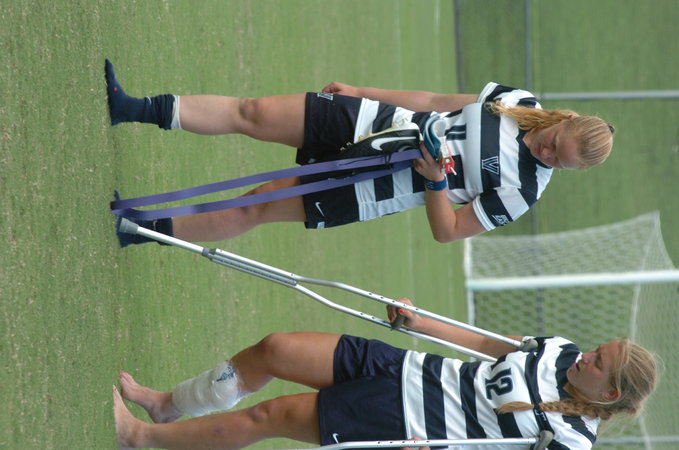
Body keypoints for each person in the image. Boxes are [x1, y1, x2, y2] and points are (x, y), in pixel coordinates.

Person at [105, 59, 615, 247]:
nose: (546, 152)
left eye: (558, 161)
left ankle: (142, 231)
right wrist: (361, 91)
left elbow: (449, 230)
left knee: (254, 204)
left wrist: (436, 181)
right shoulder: (519, 101)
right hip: (373, 121)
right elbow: (435, 102)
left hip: (371, 187)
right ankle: (131, 108)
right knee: (253, 111)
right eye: (555, 142)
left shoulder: (524, 192)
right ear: (565, 119)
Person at [112, 299, 656, 449]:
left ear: (609, 392)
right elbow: (487, 345)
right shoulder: (560, 352)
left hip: (403, 418)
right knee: (275, 349)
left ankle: (140, 438)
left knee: (269, 416)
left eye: (598, 363)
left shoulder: (567, 441)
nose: (587, 356)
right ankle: (167, 405)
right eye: (597, 349)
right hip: (402, 367)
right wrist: (420, 324)